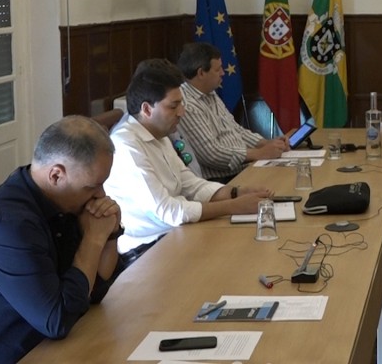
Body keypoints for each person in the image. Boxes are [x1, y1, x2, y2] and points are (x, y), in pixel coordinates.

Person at [0, 116, 122, 363]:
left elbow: (90, 291)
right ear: (56, 176)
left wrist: (108, 234)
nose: (101, 195)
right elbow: (57, 320)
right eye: (92, 187)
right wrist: (93, 240)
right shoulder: (7, 226)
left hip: (37, 344)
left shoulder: (60, 202)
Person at [105, 59, 273, 263]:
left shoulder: (159, 133)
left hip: (175, 236)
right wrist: (234, 206)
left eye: (181, 104)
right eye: (173, 106)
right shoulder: (126, 145)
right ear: (147, 109)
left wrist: (236, 192)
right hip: (146, 252)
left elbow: (190, 184)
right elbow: (168, 212)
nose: (181, 112)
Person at [177, 42, 289, 182]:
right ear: (201, 73)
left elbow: (236, 130)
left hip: (241, 168)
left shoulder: (210, 93)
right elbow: (211, 154)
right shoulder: (186, 104)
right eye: (218, 70)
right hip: (220, 180)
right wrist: (259, 153)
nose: (223, 73)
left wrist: (266, 144)